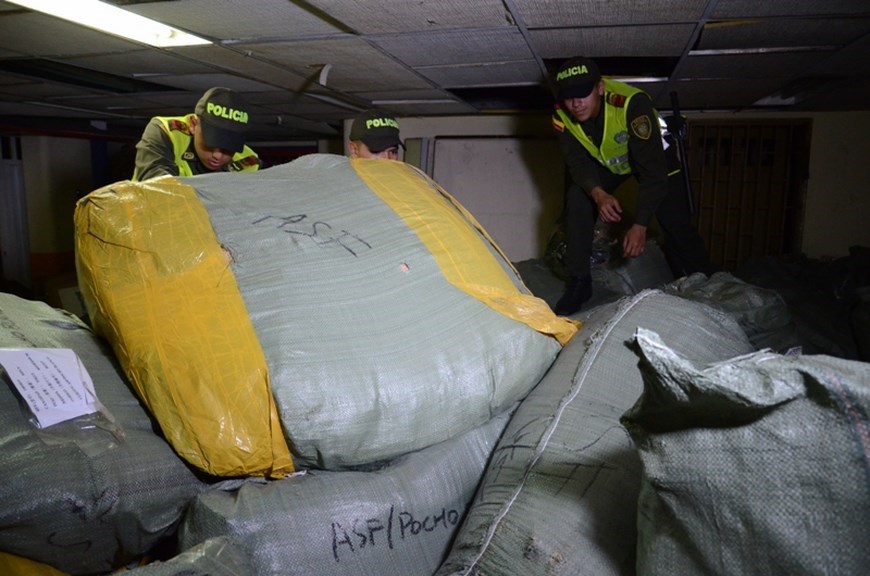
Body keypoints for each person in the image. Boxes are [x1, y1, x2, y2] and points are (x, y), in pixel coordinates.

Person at [550, 56, 711, 315]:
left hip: (654, 160)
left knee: (676, 225)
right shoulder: (561, 116)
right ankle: (580, 282)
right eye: (569, 97)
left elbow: (653, 174)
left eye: (583, 94)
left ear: (600, 88)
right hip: (613, 164)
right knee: (577, 197)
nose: (576, 104)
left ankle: (708, 284)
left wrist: (640, 225)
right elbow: (577, 163)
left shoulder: (632, 104)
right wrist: (599, 194)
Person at [132, 87, 261, 181]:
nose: (217, 155)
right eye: (211, 143)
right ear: (193, 124)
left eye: (227, 148)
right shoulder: (166, 132)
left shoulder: (249, 163)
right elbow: (156, 186)